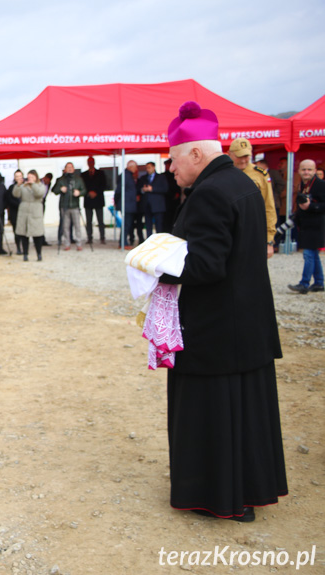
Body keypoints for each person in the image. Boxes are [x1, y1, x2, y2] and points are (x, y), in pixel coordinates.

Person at [161, 100, 285, 521]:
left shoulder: (210, 193)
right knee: (245, 415)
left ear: (196, 153)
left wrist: (156, 264)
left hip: (214, 329)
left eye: (174, 159)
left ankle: (218, 497)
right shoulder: (243, 183)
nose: (171, 169)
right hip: (246, 323)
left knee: (213, 414)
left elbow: (207, 264)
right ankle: (246, 491)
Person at [227, 137, 277, 258]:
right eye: (239, 156)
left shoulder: (260, 174)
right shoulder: (224, 172)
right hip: (229, 229)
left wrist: (269, 240)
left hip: (252, 229)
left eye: (246, 156)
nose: (243, 160)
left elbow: (269, 207)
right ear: (230, 154)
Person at [287, 159, 325, 294]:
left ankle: (304, 284)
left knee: (308, 255)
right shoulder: (302, 185)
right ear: (299, 171)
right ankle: (319, 282)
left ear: (315, 171)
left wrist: (311, 206)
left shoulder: (320, 185)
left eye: (309, 169)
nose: (306, 172)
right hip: (306, 225)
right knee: (313, 255)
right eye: (304, 169)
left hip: (316, 226)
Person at [12, 169, 46, 261]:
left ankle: (39, 254)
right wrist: (18, 185)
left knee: (37, 235)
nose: (30, 179)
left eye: (32, 177)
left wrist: (33, 184)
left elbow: (39, 194)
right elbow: (16, 194)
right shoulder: (23, 186)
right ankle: (25, 254)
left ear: (36, 177)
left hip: (35, 212)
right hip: (24, 212)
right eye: (29, 177)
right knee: (24, 235)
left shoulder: (40, 186)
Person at [51, 162, 85, 251]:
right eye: (68, 167)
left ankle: (79, 243)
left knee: (77, 225)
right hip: (64, 206)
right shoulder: (61, 180)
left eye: (71, 167)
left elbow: (84, 190)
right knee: (65, 226)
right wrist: (60, 189)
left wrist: (79, 193)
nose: (69, 169)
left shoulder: (78, 179)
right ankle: (67, 243)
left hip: (75, 205)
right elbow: (54, 190)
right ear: (65, 169)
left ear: (73, 169)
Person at [137, 161, 168, 237]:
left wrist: (153, 189)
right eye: (146, 168)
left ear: (154, 167)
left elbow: (165, 189)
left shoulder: (161, 177)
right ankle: (149, 240)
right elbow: (138, 189)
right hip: (147, 205)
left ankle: (159, 241)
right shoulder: (143, 178)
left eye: (149, 167)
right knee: (148, 225)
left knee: (159, 225)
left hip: (158, 205)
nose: (147, 169)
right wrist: (143, 190)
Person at [80, 157, 107, 245]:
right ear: (87, 163)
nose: (91, 163)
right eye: (89, 162)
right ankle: (89, 237)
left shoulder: (101, 173)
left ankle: (102, 237)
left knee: (100, 220)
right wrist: (89, 192)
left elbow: (104, 185)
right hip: (88, 200)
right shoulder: (83, 175)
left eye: (92, 162)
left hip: (98, 199)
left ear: (94, 162)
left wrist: (96, 192)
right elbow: (82, 186)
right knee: (89, 220)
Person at [115, 160, 139, 249]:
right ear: (131, 167)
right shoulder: (125, 175)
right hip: (126, 204)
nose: (136, 169)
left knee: (127, 224)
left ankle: (124, 242)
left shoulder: (128, 175)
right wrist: (117, 201)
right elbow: (119, 190)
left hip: (129, 204)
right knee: (126, 224)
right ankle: (123, 243)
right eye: (135, 167)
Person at [4, 170, 26, 254]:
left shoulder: (26, 186)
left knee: (24, 232)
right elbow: (9, 200)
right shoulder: (11, 188)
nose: (18, 178)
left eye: (20, 176)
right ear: (14, 178)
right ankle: (18, 248)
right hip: (15, 212)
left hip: (24, 213)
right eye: (17, 176)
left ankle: (24, 248)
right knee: (16, 231)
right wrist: (19, 205)